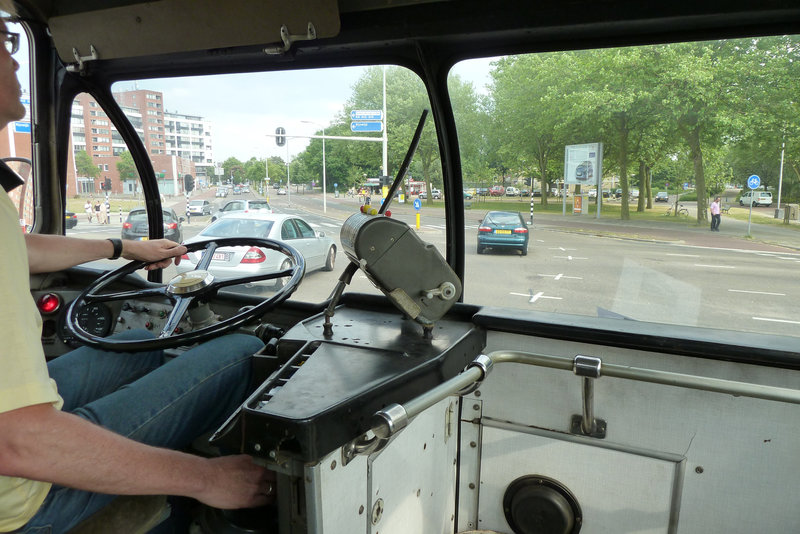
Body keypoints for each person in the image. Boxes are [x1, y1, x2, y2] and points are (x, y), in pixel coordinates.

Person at [0, 10, 274, 533]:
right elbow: (18, 441)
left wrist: (123, 246)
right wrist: (204, 478)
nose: (14, 53)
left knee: (139, 345)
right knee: (240, 350)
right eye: (3, 39)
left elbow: (20, 250)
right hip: (18, 503)